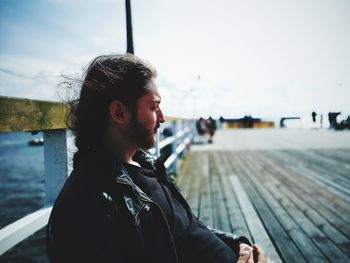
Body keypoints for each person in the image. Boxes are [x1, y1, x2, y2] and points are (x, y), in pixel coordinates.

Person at [46, 54, 271, 263]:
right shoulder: (90, 205)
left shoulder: (145, 165)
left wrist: (237, 245)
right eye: (154, 107)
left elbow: (184, 227)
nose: (162, 118)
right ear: (119, 113)